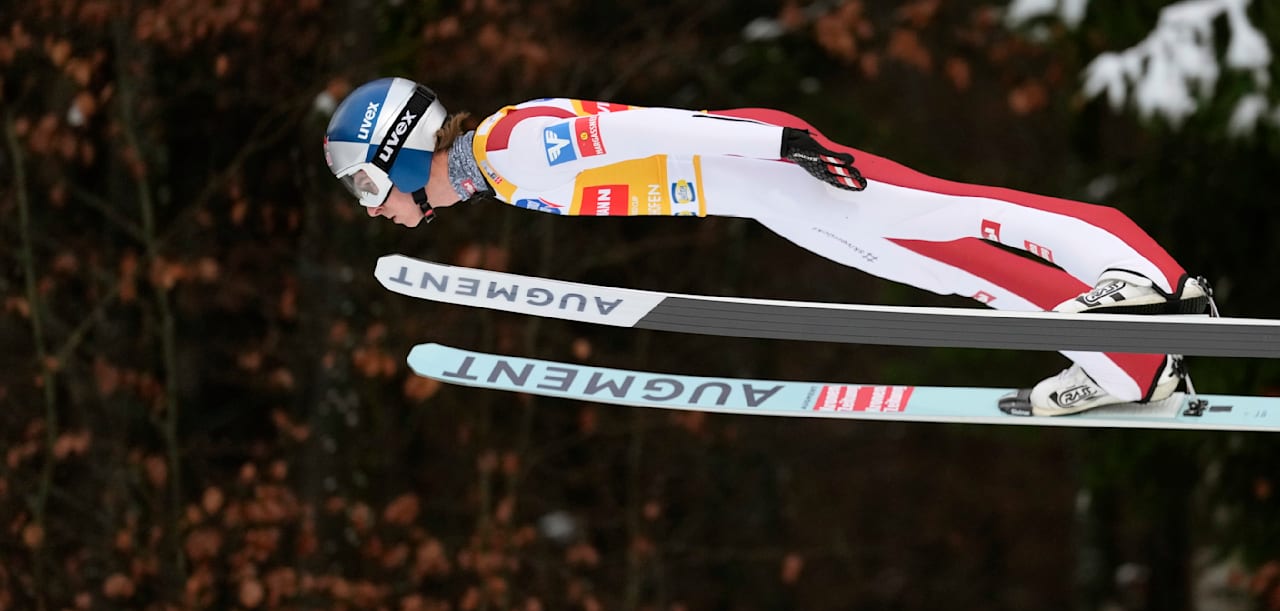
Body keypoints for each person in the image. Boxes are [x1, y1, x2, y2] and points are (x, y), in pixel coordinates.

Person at [322, 77, 1210, 417]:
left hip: (769, 168)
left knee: (957, 214)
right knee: (944, 265)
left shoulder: (512, 148)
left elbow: (648, 129)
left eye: (365, 184)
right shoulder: (499, 169)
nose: (370, 206)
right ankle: (1126, 360)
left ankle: (1157, 282)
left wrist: (773, 146)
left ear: (400, 151)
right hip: (760, 193)